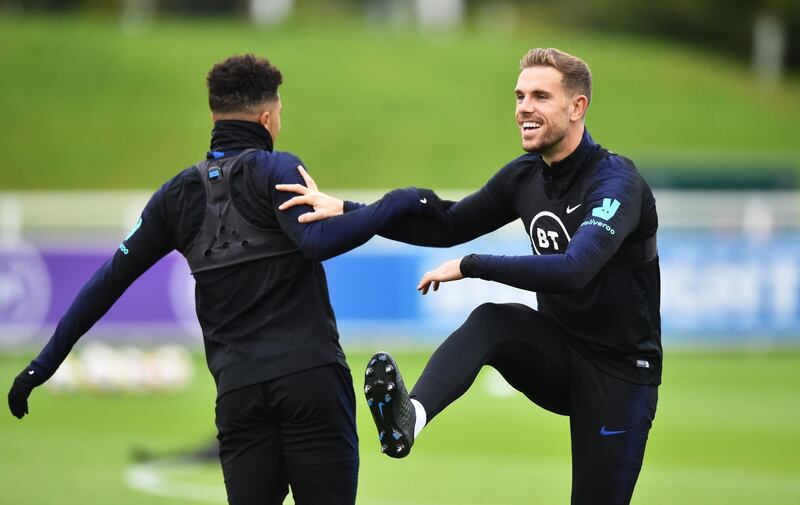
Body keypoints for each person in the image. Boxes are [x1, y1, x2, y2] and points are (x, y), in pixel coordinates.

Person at [6, 54, 435, 505]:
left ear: (214, 116)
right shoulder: (277, 170)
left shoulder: (174, 198)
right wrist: (398, 201)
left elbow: (109, 280)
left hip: (240, 394)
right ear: (268, 118)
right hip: (311, 382)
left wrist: (43, 364)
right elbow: (318, 241)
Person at [278, 48, 661, 504]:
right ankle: (410, 416)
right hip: (557, 354)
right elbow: (448, 222)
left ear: (577, 107)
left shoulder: (617, 182)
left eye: (540, 96)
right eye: (519, 96)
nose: (524, 108)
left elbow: (575, 269)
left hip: (620, 374)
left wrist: (474, 264)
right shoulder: (524, 177)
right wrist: (349, 210)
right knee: (491, 321)